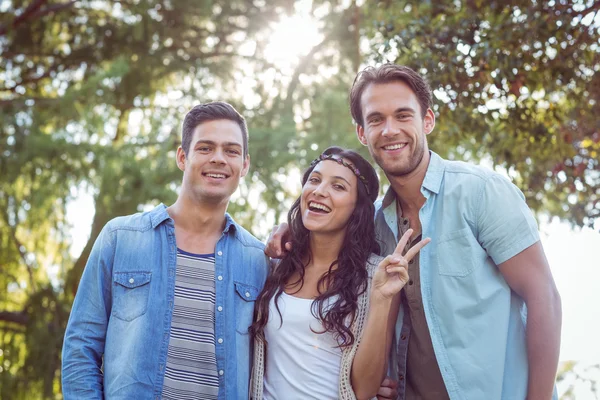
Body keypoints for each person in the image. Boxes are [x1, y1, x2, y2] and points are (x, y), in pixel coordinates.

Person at [266, 64, 562, 400]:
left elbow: (543, 297)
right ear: (362, 134)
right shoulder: (372, 226)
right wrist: (288, 229)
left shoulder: (480, 193)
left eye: (403, 115)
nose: (390, 130)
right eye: (376, 119)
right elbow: (323, 235)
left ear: (428, 121)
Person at [62, 102, 269, 399]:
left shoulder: (258, 260)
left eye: (231, 151)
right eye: (206, 148)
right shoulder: (121, 239)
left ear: (245, 165)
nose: (219, 159)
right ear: (182, 157)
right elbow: (81, 347)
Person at [249, 146, 430, 400]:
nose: (320, 191)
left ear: (358, 208)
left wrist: (380, 300)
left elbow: (365, 390)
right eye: (314, 180)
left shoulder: (376, 277)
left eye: (338, 186)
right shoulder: (276, 266)